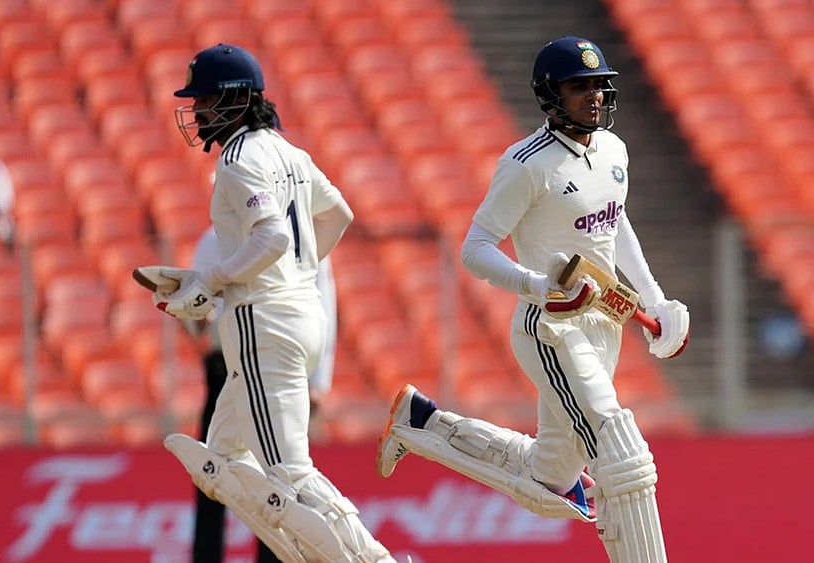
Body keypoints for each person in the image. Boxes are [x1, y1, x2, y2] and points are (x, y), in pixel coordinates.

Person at [376, 37, 690, 563]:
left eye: (598, 86)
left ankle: (422, 424)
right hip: (552, 330)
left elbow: (615, 224)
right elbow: (475, 249)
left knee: (552, 482)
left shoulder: (614, 150)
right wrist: (538, 286)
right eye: (577, 87)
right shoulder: (526, 164)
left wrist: (653, 300)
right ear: (550, 95)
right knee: (622, 454)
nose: (592, 97)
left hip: (603, 324)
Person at [151, 44, 395, 562]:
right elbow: (339, 215)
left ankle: (371, 558)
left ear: (236, 101)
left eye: (205, 102)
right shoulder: (290, 152)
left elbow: (272, 239)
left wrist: (213, 281)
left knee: (290, 473)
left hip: (265, 327)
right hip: (299, 319)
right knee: (219, 461)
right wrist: (294, 275)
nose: (196, 114)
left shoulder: (238, 162)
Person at [187, 225, 338, 563]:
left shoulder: (298, 238)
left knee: (278, 482)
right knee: (212, 473)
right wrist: (194, 316)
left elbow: (321, 303)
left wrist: (317, 380)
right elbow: (197, 308)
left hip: (275, 368)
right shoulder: (214, 240)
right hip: (229, 366)